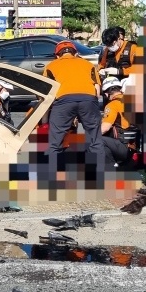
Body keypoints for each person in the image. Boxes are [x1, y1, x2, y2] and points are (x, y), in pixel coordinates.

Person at [43, 40, 105, 184]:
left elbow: (47, 92)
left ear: (57, 56)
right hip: (88, 99)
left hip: (63, 101)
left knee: (55, 141)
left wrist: (47, 117)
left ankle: (53, 179)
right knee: (95, 138)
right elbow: (97, 89)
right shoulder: (88, 64)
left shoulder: (51, 66)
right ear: (75, 53)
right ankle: (97, 177)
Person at [98, 76, 138, 169]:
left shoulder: (112, 105)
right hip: (135, 147)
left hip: (124, 149)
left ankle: (112, 166)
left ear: (107, 94)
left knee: (97, 139)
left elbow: (104, 128)